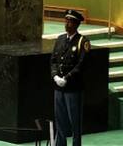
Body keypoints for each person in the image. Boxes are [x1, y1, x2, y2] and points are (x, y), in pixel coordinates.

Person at [50, 9, 89, 146]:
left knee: (75, 120)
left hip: (73, 88)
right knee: (59, 119)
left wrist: (66, 78)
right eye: (66, 20)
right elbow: (54, 60)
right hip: (58, 87)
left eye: (70, 21)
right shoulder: (60, 39)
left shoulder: (82, 42)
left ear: (76, 24)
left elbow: (81, 65)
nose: (67, 24)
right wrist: (55, 76)